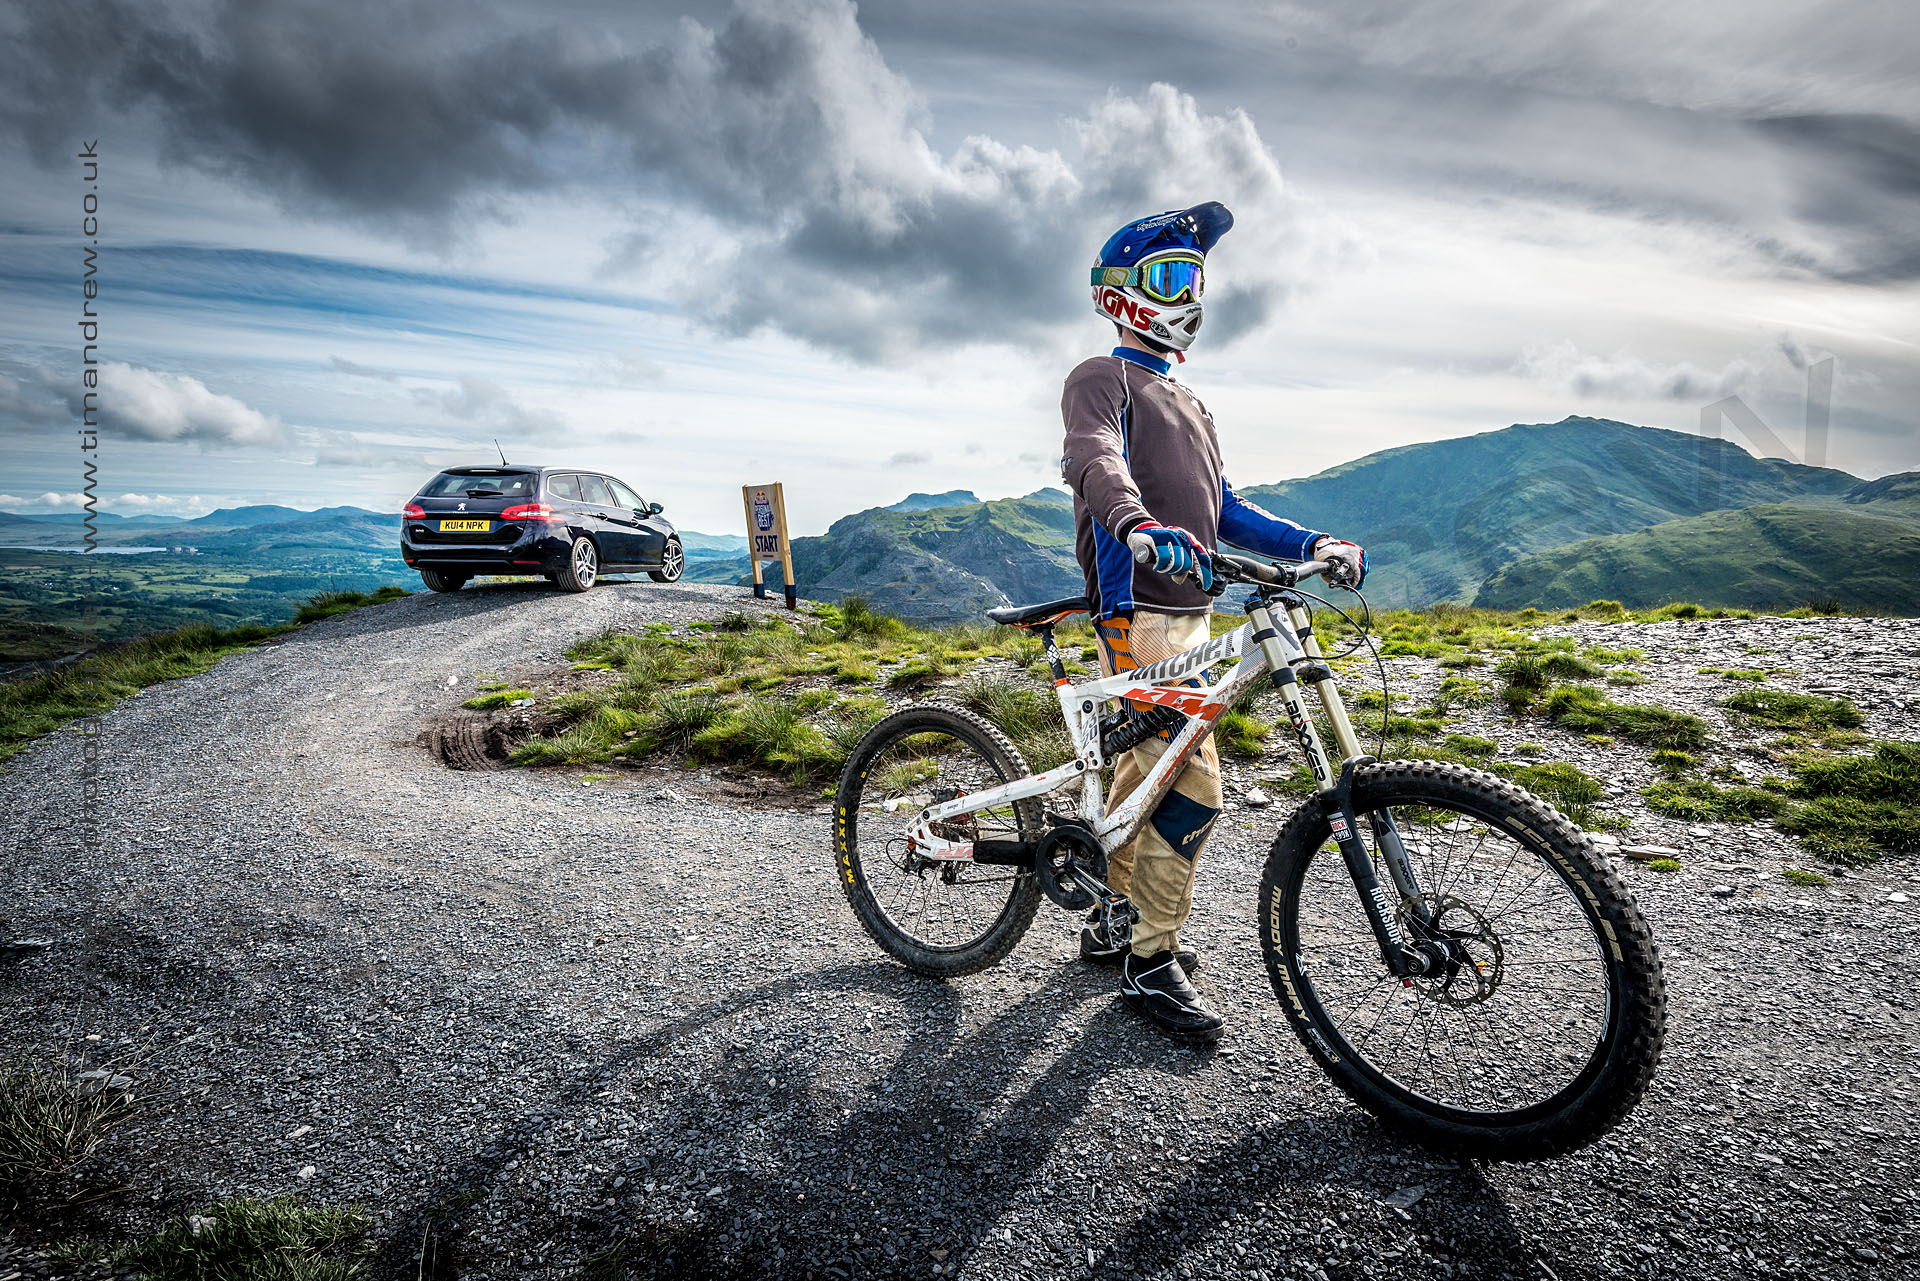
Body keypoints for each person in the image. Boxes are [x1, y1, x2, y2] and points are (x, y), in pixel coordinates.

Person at [1060, 201, 1369, 1044]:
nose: (1187, 294)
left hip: (1190, 615)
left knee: (1142, 784)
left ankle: (1111, 921)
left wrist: (1310, 540)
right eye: (1168, 276)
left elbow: (1224, 507)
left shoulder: (1189, 399)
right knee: (1194, 785)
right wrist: (1137, 526)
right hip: (1142, 613)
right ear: (1119, 291)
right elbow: (1095, 461)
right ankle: (1151, 955)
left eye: (1195, 279)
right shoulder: (1104, 377)